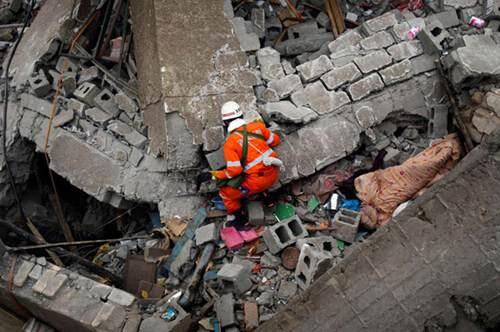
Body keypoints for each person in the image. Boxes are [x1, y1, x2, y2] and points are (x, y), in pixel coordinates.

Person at [198, 101, 282, 229]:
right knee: (255, 177)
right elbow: (275, 141)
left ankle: (240, 219)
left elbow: (234, 172)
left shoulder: (230, 144)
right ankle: (267, 197)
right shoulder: (257, 127)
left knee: (225, 193)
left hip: (257, 182)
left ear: (225, 123)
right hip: (274, 173)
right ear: (241, 116)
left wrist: (214, 175)